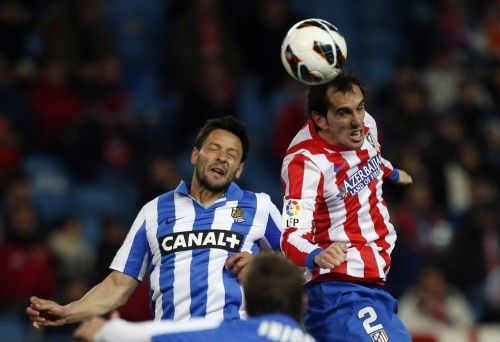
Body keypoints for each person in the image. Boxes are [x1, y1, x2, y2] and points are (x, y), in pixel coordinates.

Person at [27, 116, 282, 328]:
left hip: (233, 333)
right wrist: (67, 311)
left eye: (232, 154)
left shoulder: (259, 206)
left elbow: (302, 267)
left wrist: (264, 269)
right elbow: (118, 285)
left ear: (238, 170)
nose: (222, 158)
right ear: (195, 155)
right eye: (214, 148)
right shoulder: (154, 211)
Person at [280, 72, 413, 341]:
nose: (357, 122)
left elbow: (372, 158)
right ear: (320, 119)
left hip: (375, 284)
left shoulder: (367, 127)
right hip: (336, 290)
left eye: (360, 108)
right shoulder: (306, 163)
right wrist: (317, 254)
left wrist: (392, 173)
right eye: (343, 113)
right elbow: (291, 238)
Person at [73, 253, 314, 342]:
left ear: (247, 306)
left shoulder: (236, 333)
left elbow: (134, 336)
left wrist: (104, 330)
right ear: (304, 303)